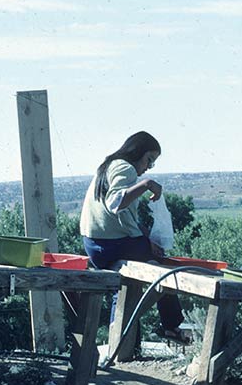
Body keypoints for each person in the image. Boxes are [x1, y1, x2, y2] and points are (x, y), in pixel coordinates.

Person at [80, 131, 190, 347]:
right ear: (137, 152)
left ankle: (123, 343)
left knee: (129, 283)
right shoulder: (125, 168)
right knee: (163, 268)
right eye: (149, 160)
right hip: (110, 244)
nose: (148, 167)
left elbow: (123, 217)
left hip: (94, 244)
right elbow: (114, 204)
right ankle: (171, 325)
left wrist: (146, 239)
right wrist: (146, 184)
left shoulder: (109, 165)